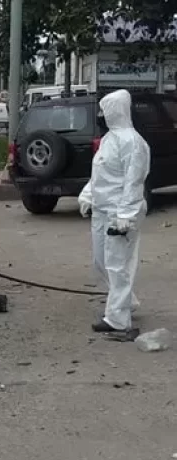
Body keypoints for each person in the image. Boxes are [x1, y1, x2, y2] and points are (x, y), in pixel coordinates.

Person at [78, 89, 150, 333]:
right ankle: (126, 302)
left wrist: (125, 217)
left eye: (104, 110)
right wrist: (87, 195)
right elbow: (101, 173)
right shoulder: (110, 139)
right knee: (102, 262)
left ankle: (118, 319)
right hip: (102, 209)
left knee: (118, 265)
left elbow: (134, 181)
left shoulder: (132, 142)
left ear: (115, 110)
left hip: (119, 213)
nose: (100, 115)